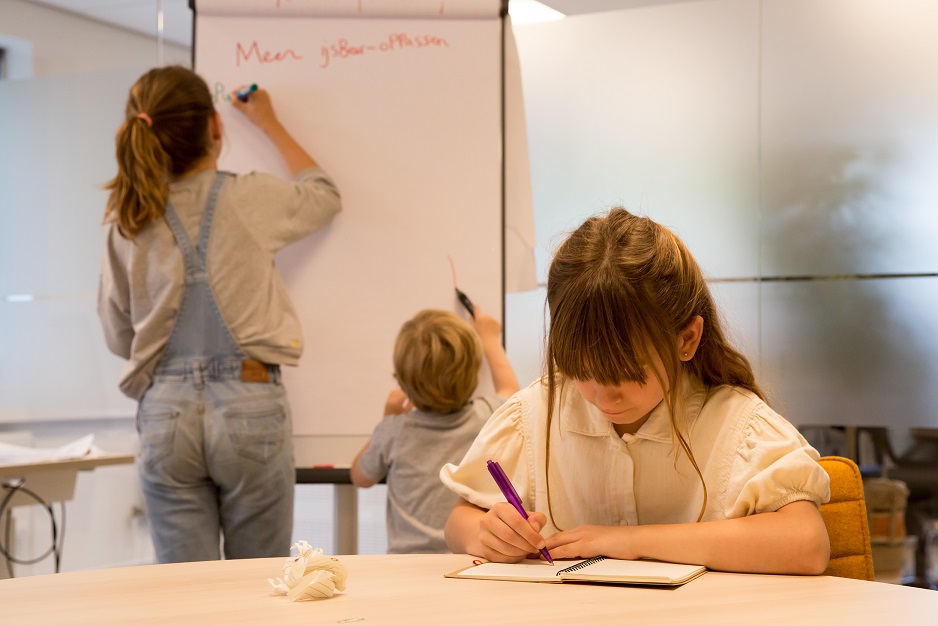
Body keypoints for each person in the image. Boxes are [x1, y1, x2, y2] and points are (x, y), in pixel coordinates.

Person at [441, 208, 832, 575]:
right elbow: (458, 522)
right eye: (581, 370)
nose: (602, 397)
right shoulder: (535, 413)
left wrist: (630, 541)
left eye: (626, 373)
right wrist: (489, 534)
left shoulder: (734, 425)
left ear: (687, 339)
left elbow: (807, 544)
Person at [97, 66, 341, 563]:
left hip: (164, 413)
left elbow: (119, 335)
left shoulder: (127, 219)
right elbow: (324, 196)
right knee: (258, 583)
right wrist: (269, 123)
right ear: (214, 125)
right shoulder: (249, 196)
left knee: (186, 596)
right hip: (250, 404)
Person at [351, 307, 520, 553]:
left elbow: (360, 477)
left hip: (406, 567)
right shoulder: (488, 416)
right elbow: (510, 390)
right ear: (474, 374)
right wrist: (490, 339)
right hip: (467, 558)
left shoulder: (394, 430)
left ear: (402, 380)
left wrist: (387, 420)